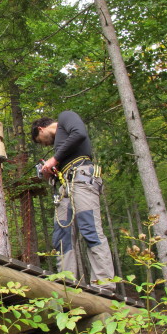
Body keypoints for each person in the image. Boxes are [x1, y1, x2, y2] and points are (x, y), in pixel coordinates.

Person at [31, 111, 116, 294]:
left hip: (82, 179)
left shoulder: (65, 117)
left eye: (41, 140)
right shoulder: (61, 147)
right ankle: (66, 283)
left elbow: (80, 133)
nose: (45, 144)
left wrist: (54, 159)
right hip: (65, 187)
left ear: (41, 128)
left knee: (90, 228)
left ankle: (104, 283)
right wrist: (51, 171)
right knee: (62, 235)